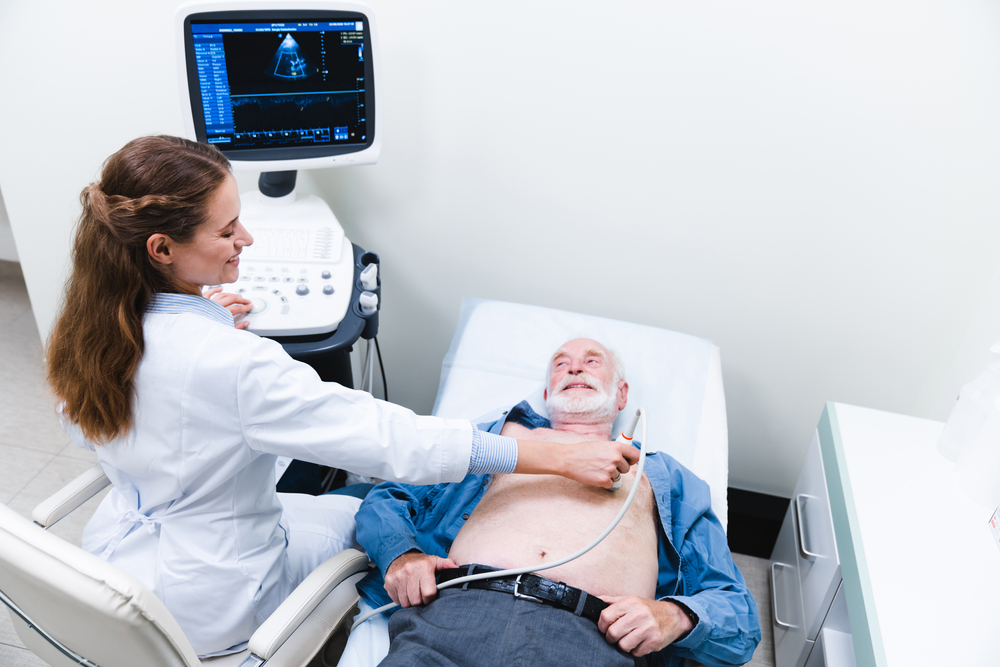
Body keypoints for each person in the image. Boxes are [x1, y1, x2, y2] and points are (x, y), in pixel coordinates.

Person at [44, 136, 639, 658]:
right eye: (227, 232)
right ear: (161, 250)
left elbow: (160, 402)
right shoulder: (231, 362)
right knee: (363, 508)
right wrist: (547, 454)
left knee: (362, 503)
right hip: (215, 601)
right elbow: (387, 439)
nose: (245, 239)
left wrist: (204, 322)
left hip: (115, 563)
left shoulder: (89, 328)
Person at [355, 338, 761, 667]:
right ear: (548, 393)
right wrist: (401, 556)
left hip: (588, 640)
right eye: (561, 363)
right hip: (450, 617)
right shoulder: (495, 441)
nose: (575, 367)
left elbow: (738, 615)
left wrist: (674, 617)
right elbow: (389, 497)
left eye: (591, 360)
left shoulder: (664, 478)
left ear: (622, 395)